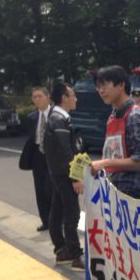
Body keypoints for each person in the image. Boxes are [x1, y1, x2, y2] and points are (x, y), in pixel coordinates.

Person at [72, 65, 140, 280]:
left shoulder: (135, 116)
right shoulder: (112, 115)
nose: (101, 90)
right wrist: (96, 170)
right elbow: (114, 154)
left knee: (131, 254)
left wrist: (105, 164)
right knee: (112, 249)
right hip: (113, 192)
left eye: (105, 84)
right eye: (98, 86)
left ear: (121, 84)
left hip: (133, 194)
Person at [43, 82, 84, 270]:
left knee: (58, 211)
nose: (75, 98)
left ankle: (61, 250)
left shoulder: (56, 117)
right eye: (72, 94)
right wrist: (75, 177)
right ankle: (75, 255)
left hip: (58, 172)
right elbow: (65, 152)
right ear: (63, 98)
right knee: (71, 213)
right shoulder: (58, 120)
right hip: (64, 174)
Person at [25, 87, 52, 230]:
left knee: (52, 188)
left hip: (53, 155)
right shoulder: (32, 117)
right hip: (38, 155)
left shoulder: (56, 115)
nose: (37, 99)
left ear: (48, 97)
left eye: (40, 96)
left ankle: (56, 219)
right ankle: (45, 220)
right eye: (34, 97)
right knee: (40, 188)